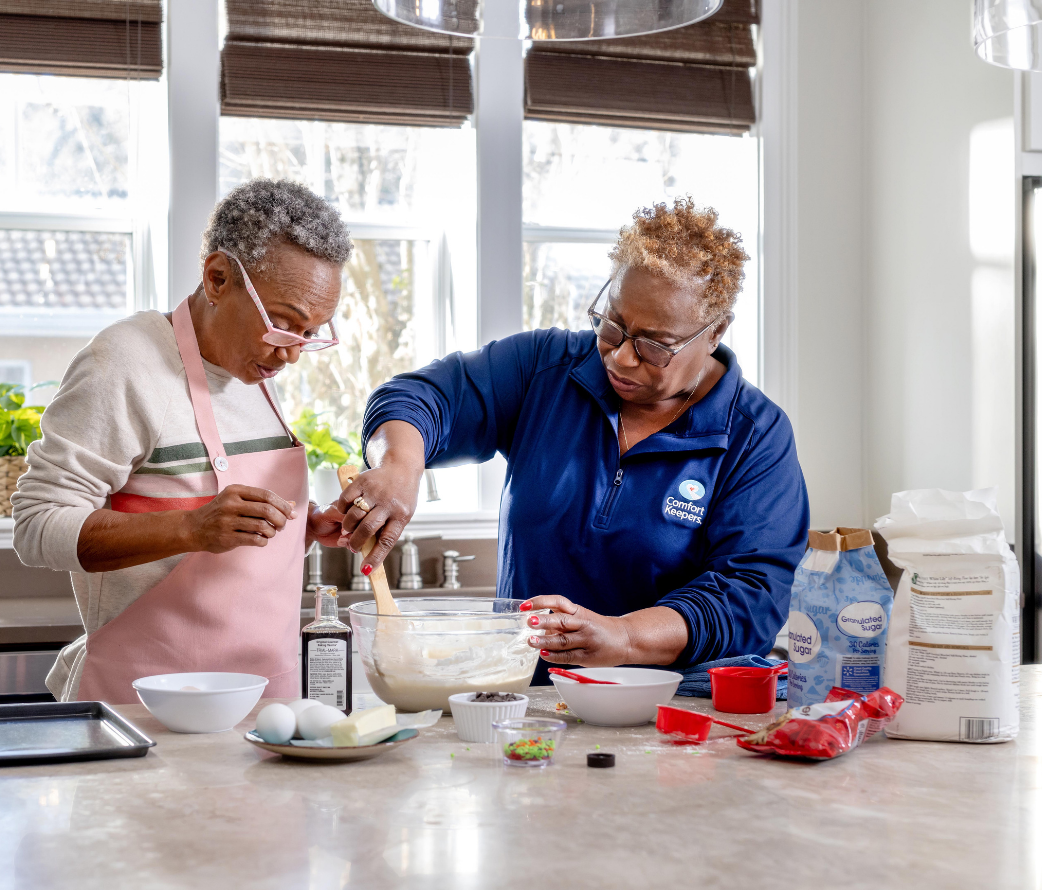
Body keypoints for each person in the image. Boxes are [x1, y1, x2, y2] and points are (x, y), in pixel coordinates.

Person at [328, 198, 809, 677]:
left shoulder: (755, 436)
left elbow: (751, 596)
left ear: (714, 332)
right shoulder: (545, 368)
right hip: (523, 695)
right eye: (612, 324)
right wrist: (399, 465)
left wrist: (623, 637)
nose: (620, 357)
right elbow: (419, 396)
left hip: (666, 710)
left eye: (653, 346)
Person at [13, 179, 349, 702]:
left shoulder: (253, 371)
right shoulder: (125, 363)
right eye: (284, 326)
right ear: (217, 279)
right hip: (146, 706)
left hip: (261, 703)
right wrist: (192, 528)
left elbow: (207, 515)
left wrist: (303, 525)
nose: (292, 355)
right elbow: (36, 527)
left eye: (310, 334)